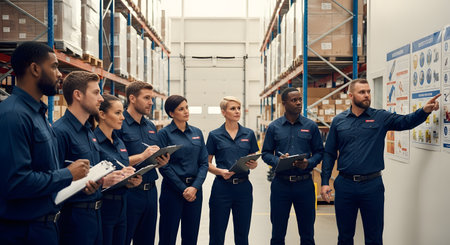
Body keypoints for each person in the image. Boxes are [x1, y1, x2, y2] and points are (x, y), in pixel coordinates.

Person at [320, 79, 441, 245]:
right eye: (362, 92)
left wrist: (424, 111)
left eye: (368, 91)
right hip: (345, 185)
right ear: (350, 96)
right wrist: (325, 182)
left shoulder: (380, 117)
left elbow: (406, 121)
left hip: (372, 186)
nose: (367, 95)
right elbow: (330, 153)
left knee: (374, 237)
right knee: (345, 236)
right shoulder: (339, 121)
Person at [0, 42, 89, 245]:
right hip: (23, 233)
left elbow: (44, 171)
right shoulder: (13, 115)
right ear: (35, 69)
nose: (59, 74)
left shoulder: (38, 114)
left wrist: (78, 183)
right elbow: (16, 183)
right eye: (54, 66)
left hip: (45, 227)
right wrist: (68, 174)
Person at [262, 87, 324, 245]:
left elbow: (319, 152)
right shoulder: (274, 127)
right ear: (284, 103)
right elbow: (266, 153)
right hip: (280, 185)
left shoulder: (311, 126)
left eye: (299, 100)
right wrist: (278, 161)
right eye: (294, 100)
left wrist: (308, 163)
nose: (298, 103)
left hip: (304, 185)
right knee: (277, 233)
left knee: (307, 234)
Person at [53, 71, 105, 245]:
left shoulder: (88, 131)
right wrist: (79, 187)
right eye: (96, 93)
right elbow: (53, 180)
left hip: (95, 216)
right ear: (78, 95)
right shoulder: (60, 132)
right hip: (73, 220)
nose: (102, 99)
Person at [117, 81, 169, 245]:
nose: (151, 102)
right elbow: (115, 161)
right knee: (124, 238)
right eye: (146, 98)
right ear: (132, 98)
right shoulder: (119, 124)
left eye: (151, 98)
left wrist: (161, 161)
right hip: (130, 192)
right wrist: (142, 156)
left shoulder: (150, 125)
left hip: (151, 191)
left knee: (147, 240)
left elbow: (152, 157)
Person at [206, 96, 259, 245]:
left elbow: (253, 159)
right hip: (222, 188)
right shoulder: (214, 135)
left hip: (243, 188)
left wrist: (253, 165)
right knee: (217, 233)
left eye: (238, 108)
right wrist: (220, 171)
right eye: (232, 109)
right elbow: (206, 163)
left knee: (242, 234)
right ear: (223, 112)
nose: (237, 112)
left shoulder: (248, 134)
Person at [157, 95, 209, 245]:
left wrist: (194, 187)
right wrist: (183, 189)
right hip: (172, 191)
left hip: (195, 191)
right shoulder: (164, 134)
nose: (186, 111)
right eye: (181, 109)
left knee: (190, 237)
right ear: (171, 113)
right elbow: (163, 165)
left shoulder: (197, 133)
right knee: (168, 236)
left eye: (186, 107)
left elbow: (204, 163)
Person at [93, 94, 143, 245]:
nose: (122, 117)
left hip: (122, 206)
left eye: (122, 112)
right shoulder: (93, 142)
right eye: (117, 113)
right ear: (102, 114)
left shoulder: (119, 142)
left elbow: (123, 168)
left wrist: (131, 180)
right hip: (103, 207)